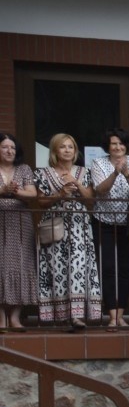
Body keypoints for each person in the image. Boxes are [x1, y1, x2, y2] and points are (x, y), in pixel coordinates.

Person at [34, 132, 101, 330]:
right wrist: (60, 193)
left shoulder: (84, 172)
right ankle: (61, 316)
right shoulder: (42, 173)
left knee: (79, 269)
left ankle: (77, 316)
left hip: (79, 228)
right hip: (55, 226)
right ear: (55, 150)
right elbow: (40, 202)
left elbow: (91, 200)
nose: (67, 150)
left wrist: (78, 184)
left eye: (70, 147)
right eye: (63, 147)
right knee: (57, 270)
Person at [87, 128, 129, 330]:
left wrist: (127, 171)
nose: (118, 147)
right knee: (108, 268)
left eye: (121, 143)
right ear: (108, 146)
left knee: (125, 268)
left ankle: (121, 315)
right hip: (103, 221)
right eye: (114, 144)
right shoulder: (98, 163)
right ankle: (111, 316)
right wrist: (115, 172)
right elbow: (100, 189)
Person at [0, 131, 40, 331]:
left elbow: (32, 194)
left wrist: (16, 192)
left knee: (22, 265)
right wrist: (2, 191)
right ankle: (1, 318)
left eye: (12, 147)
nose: (9, 151)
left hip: (20, 224)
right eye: (5, 147)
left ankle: (15, 317)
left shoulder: (24, 169)